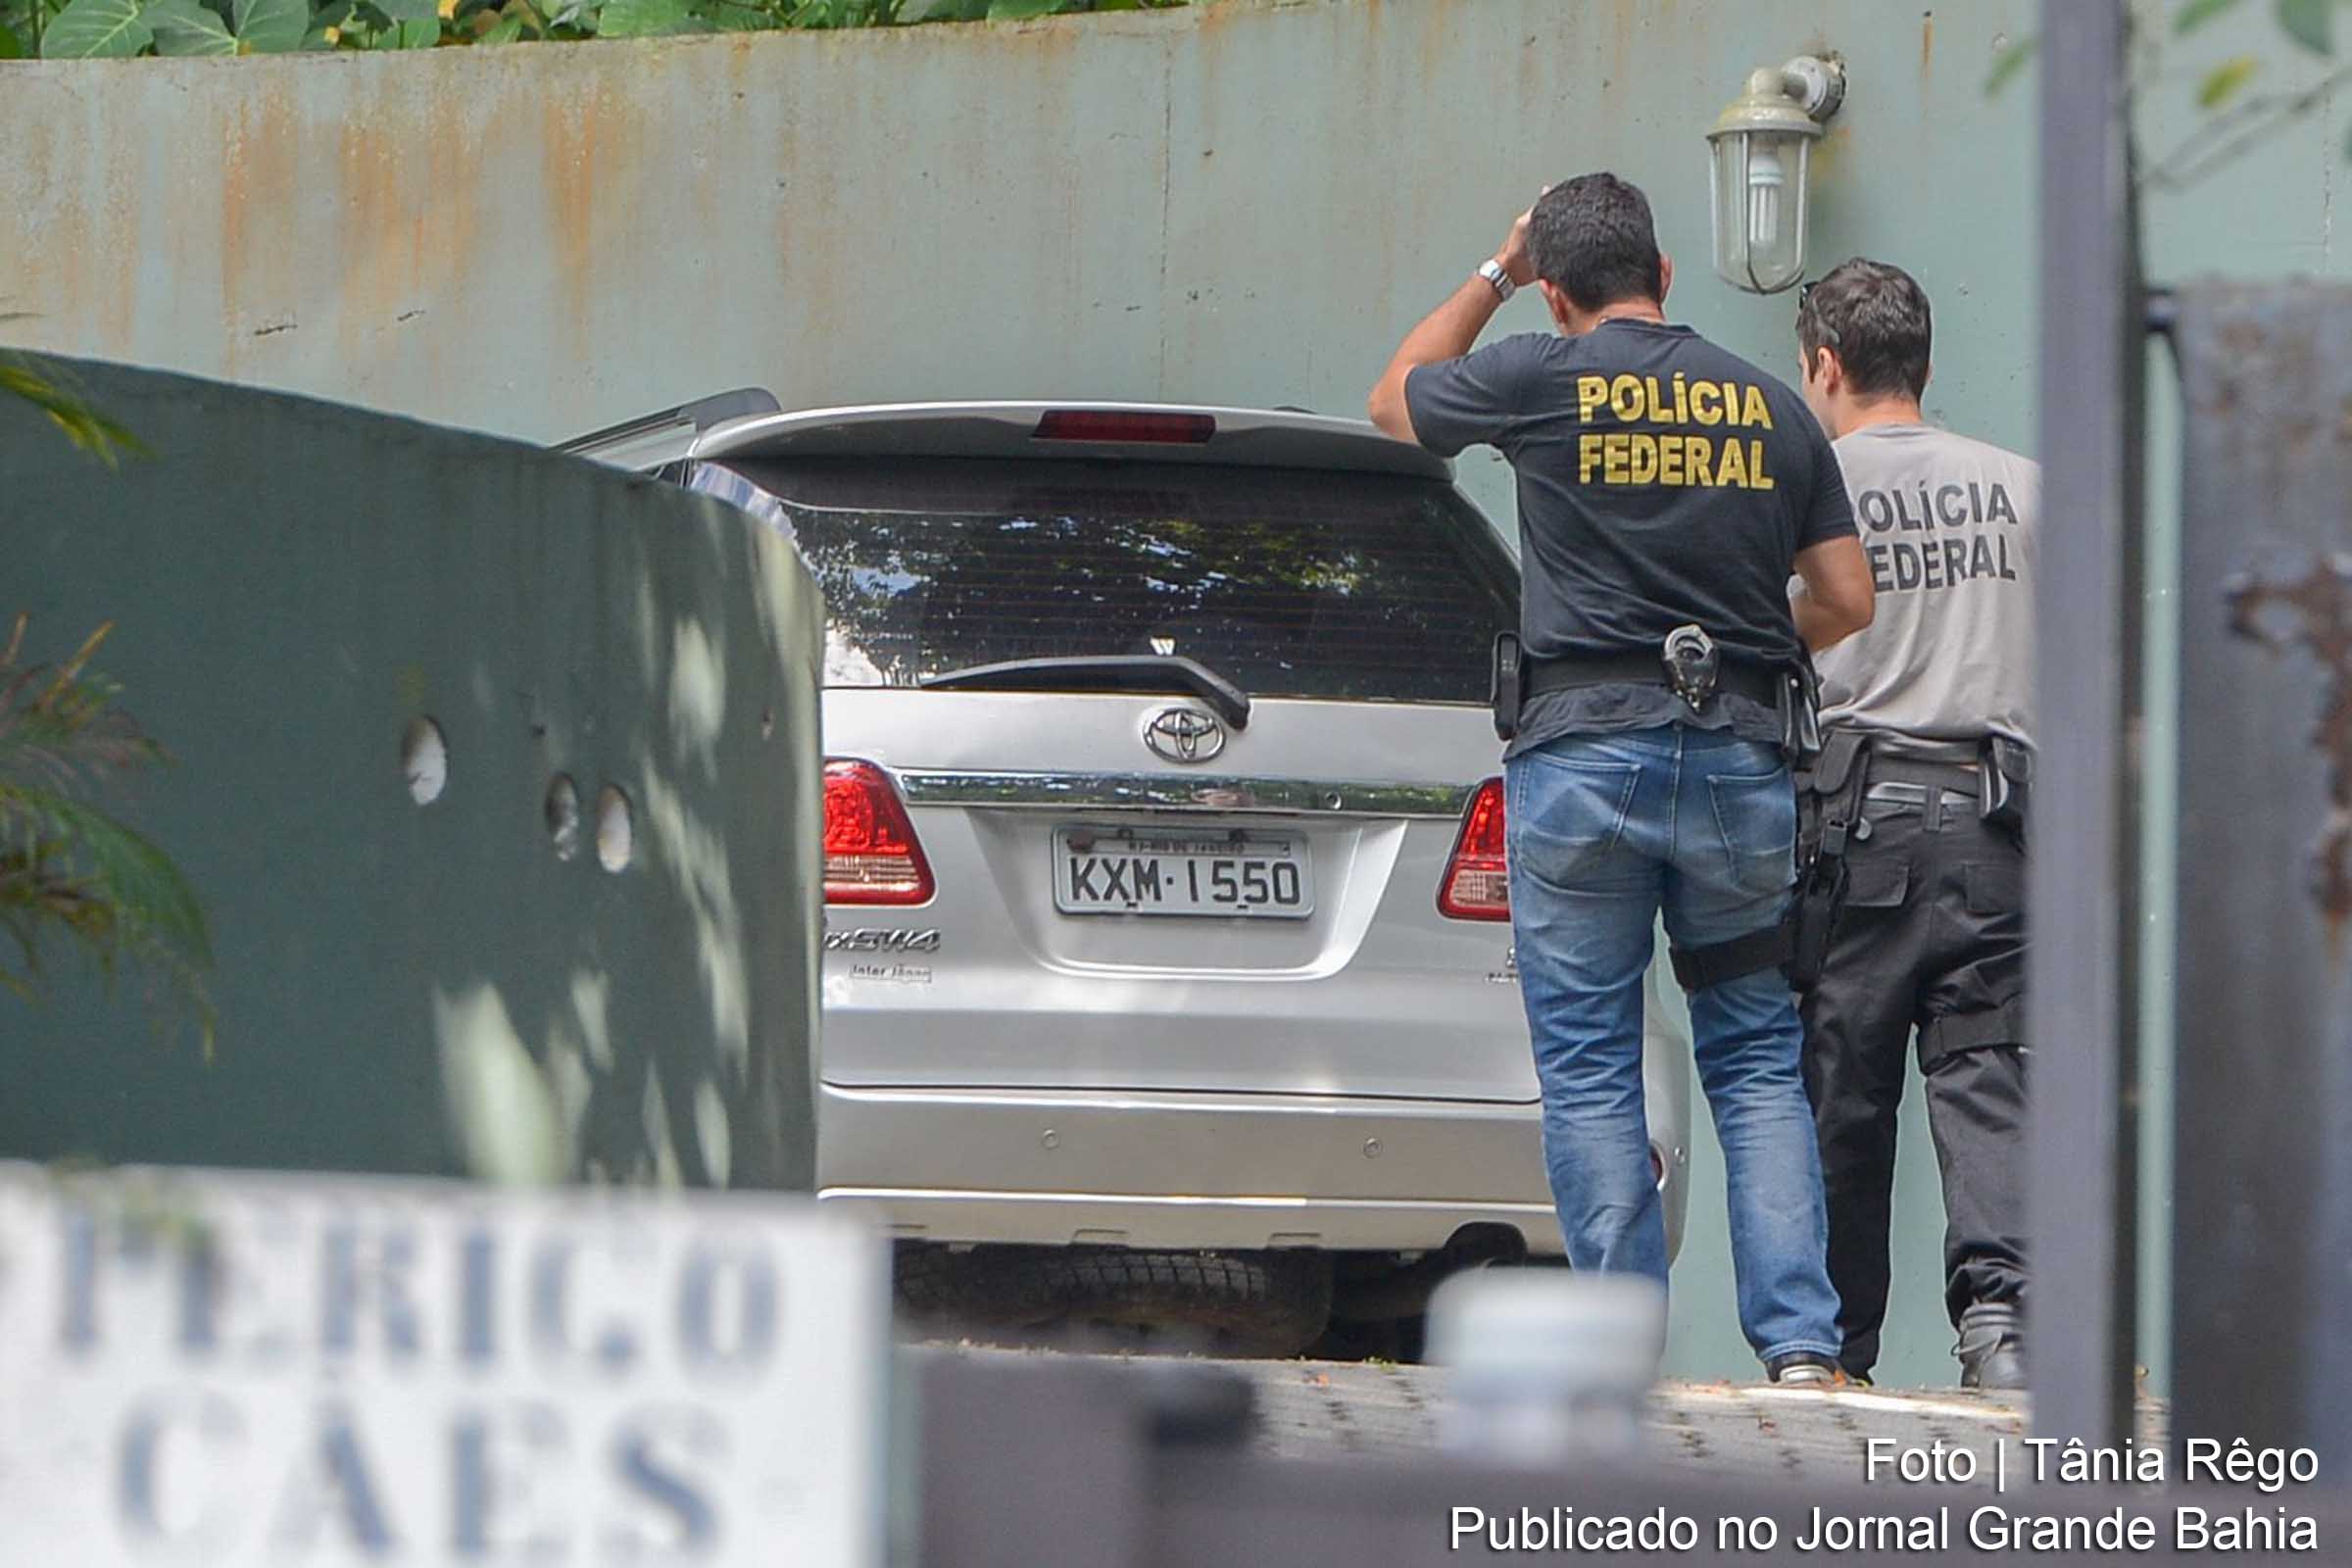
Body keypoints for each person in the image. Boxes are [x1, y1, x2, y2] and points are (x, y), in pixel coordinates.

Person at [1367, 173, 1876, 1384]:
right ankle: (1803, 1350)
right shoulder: (1767, 403)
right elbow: (1849, 596)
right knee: (1753, 1052)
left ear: (1554, 290)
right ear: (1667, 275)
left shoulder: (1537, 376)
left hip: (1582, 760)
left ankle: (1619, 1360)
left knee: (1593, 1059)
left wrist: (1492, 272)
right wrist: (1752, 652)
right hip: (1741, 763)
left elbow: (1395, 403)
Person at [1789, 259, 2037, 1390]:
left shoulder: (1806, 485)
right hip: (1999, 827)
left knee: (1843, 1088)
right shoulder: (2026, 488)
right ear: (1926, 364)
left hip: (1854, 827)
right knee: (1987, 1074)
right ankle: (2004, 1332)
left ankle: (1836, 1353)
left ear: (1824, 366)